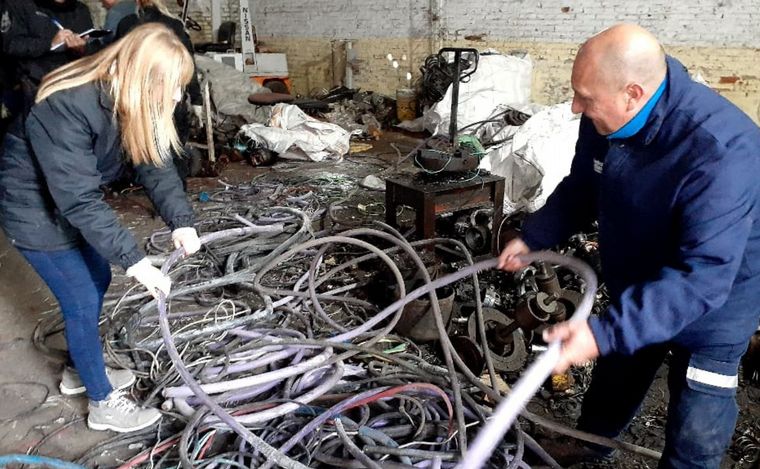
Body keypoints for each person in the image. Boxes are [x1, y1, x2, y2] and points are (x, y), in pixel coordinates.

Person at [498, 24, 760, 468]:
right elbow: (584, 186)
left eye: (586, 97)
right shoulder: (606, 117)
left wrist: (602, 333)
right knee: (618, 369)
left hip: (717, 297)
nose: (577, 105)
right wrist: (535, 236)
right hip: (641, 271)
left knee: (699, 410)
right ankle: (588, 444)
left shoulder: (721, 151)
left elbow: (704, 277)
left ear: (633, 93)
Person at [0, 23, 202, 433]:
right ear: (144, 79)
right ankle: (103, 403)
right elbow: (79, 199)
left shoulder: (128, 98)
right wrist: (136, 261)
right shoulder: (66, 104)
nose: (179, 97)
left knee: (96, 279)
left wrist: (181, 221)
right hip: (32, 210)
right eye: (174, 86)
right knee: (80, 298)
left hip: (67, 201)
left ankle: (80, 369)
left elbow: (155, 163)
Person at [116, 0, 203, 186]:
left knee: (142, 146)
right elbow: (189, 65)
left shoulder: (127, 25)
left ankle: (149, 185)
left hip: (139, 100)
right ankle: (175, 190)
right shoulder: (174, 25)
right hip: (168, 100)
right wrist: (197, 99)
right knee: (173, 150)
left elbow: (119, 65)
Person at [0, 0, 96, 115]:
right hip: (34, 86)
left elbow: (93, 47)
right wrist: (50, 44)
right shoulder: (18, 5)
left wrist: (82, 49)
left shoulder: (80, 9)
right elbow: (11, 45)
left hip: (74, 84)